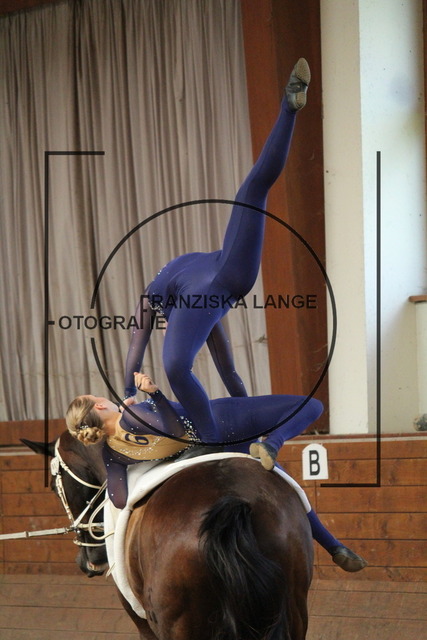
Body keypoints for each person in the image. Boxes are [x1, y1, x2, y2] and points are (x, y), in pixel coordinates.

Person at [124, 58, 312, 445]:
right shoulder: (200, 312)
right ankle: (287, 109)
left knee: (176, 366)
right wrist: (246, 410)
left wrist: (127, 391)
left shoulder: (160, 299)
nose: (169, 329)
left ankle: (289, 106)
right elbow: (228, 373)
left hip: (232, 272)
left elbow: (136, 345)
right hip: (229, 273)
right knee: (251, 190)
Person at [66, 372, 367, 572]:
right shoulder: (135, 413)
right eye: (101, 399)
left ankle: (335, 546)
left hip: (200, 450)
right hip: (225, 422)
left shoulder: (112, 453)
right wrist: (154, 394)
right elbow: (175, 429)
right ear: (100, 406)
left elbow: (119, 498)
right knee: (311, 406)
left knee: (277, 474)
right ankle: (273, 444)